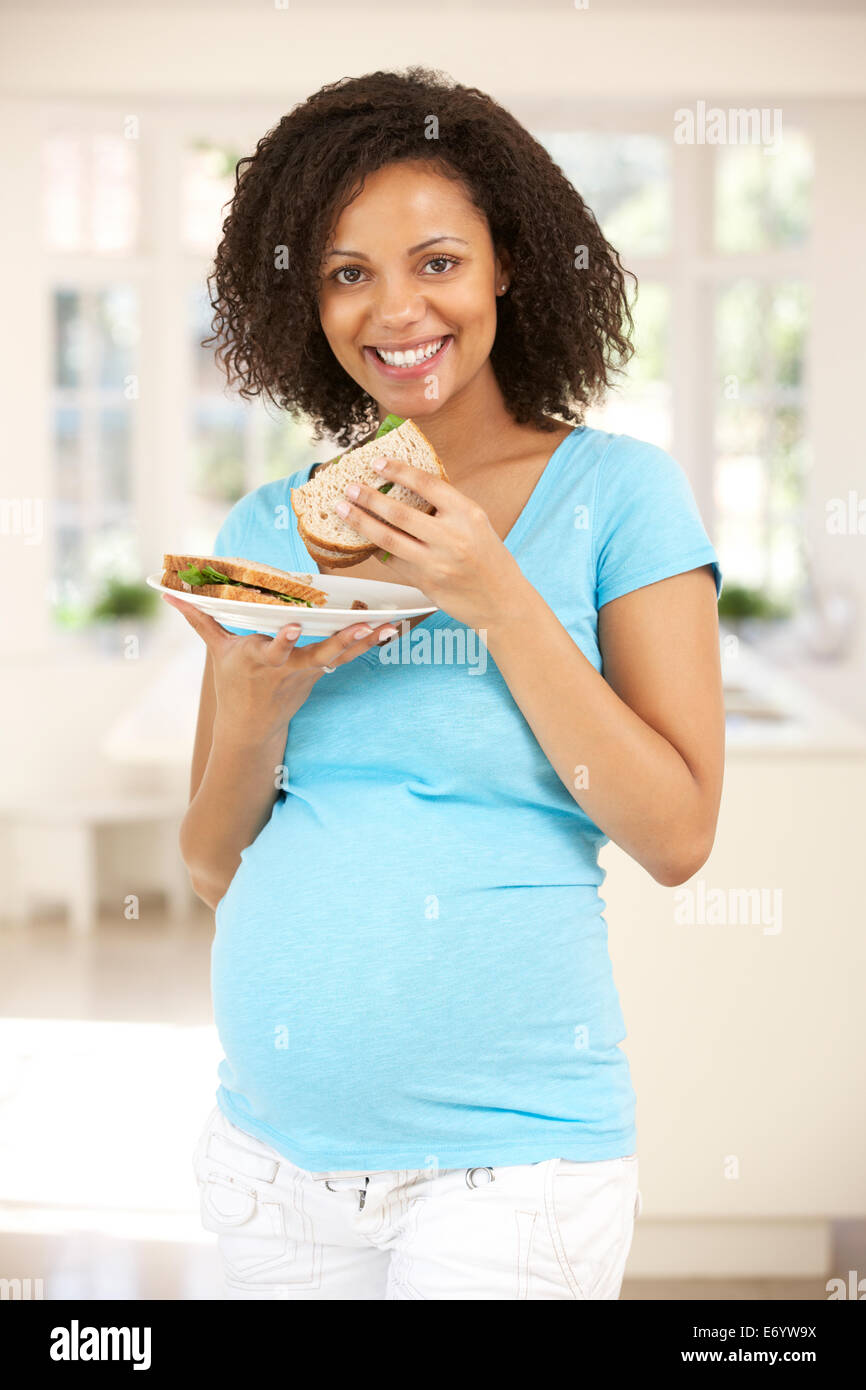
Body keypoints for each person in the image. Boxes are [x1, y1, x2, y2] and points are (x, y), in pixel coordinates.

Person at [167, 67, 725, 1301]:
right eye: (346, 273)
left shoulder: (618, 497)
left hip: (510, 1168)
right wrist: (256, 712)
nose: (395, 310)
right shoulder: (266, 524)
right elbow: (209, 864)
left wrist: (494, 591)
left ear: (506, 267)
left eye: (436, 262)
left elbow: (677, 833)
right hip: (272, 1161)